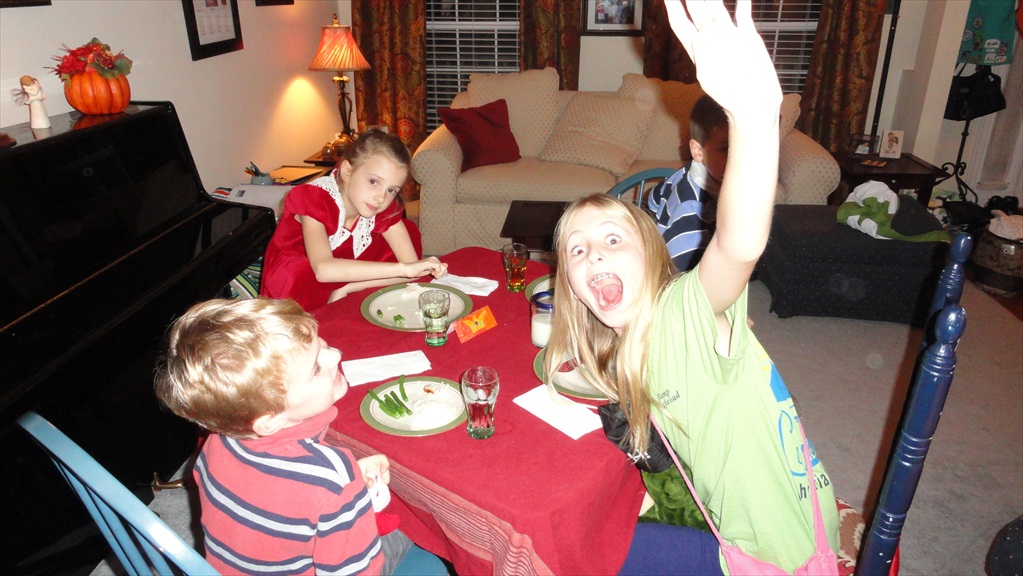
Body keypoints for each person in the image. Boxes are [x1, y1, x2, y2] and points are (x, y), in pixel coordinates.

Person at [544, 1, 839, 574]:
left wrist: (754, 120)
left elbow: (738, 245)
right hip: (744, 529)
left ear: (654, 254)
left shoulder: (680, 314)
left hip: (772, 558)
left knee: (569, 547)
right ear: (572, 287)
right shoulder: (630, 338)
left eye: (612, 239)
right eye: (577, 250)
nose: (594, 253)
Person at [154, 298, 414, 574]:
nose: (335, 356)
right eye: (315, 369)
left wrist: (342, 484)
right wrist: (343, 485)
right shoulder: (333, 477)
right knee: (413, 525)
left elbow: (272, 492)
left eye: (321, 345)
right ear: (271, 421)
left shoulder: (217, 441)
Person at [261, 129, 448, 310]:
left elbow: (411, 269)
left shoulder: (377, 202)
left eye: (391, 190)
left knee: (407, 231)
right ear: (347, 171)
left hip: (340, 266)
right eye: (373, 182)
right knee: (300, 271)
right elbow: (323, 269)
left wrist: (349, 287)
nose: (381, 197)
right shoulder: (316, 199)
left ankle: (347, 291)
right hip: (304, 277)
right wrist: (404, 269)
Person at [646, 94, 728, 272]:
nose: (739, 156)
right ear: (698, 151)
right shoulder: (692, 210)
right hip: (683, 272)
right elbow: (685, 276)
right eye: (725, 148)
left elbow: (653, 199)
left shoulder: (689, 171)